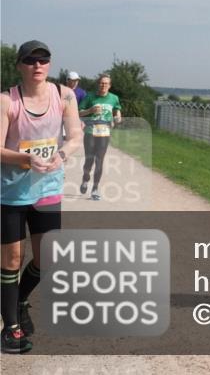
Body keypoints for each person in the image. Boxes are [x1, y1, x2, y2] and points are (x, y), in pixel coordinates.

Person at [1, 40, 83, 354]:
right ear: (20, 65)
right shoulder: (7, 100)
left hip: (48, 189)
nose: (38, 66)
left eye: (43, 60)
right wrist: (25, 160)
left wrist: (62, 154)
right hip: (12, 192)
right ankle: (9, 328)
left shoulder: (63, 96)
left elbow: (75, 135)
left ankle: (19, 300)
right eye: (30, 60)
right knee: (11, 259)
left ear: (49, 64)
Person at [78, 74, 122, 201]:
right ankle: (85, 179)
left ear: (110, 85)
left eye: (106, 83)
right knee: (89, 160)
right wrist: (90, 110)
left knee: (99, 160)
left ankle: (95, 189)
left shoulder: (114, 98)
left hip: (104, 132)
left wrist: (117, 117)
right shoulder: (90, 97)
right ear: (98, 84)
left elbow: (117, 110)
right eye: (101, 83)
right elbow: (79, 112)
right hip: (90, 131)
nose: (103, 85)